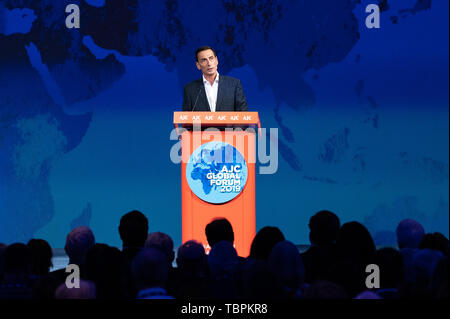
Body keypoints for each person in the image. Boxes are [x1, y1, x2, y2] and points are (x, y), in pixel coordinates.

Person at [182, 46, 248, 112]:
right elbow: (185, 119)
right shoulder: (189, 89)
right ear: (198, 65)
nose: (209, 63)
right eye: (204, 60)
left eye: (211, 58)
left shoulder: (234, 85)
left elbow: (244, 115)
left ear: (216, 60)